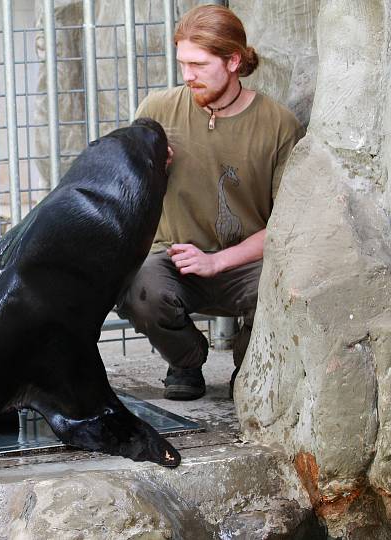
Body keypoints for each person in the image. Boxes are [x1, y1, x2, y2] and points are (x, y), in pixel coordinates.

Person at [117, 5, 303, 400]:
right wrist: (149, 170)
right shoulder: (157, 110)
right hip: (175, 260)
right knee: (136, 284)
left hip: (248, 265)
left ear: (233, 61)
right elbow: (125, 192)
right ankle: (185, 361)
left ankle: (249, 367)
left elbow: (289, 226)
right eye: (183, 63)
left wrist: (218, 261)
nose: (187, 76)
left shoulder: (278, 124)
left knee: (286, 281)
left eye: (199, 65)